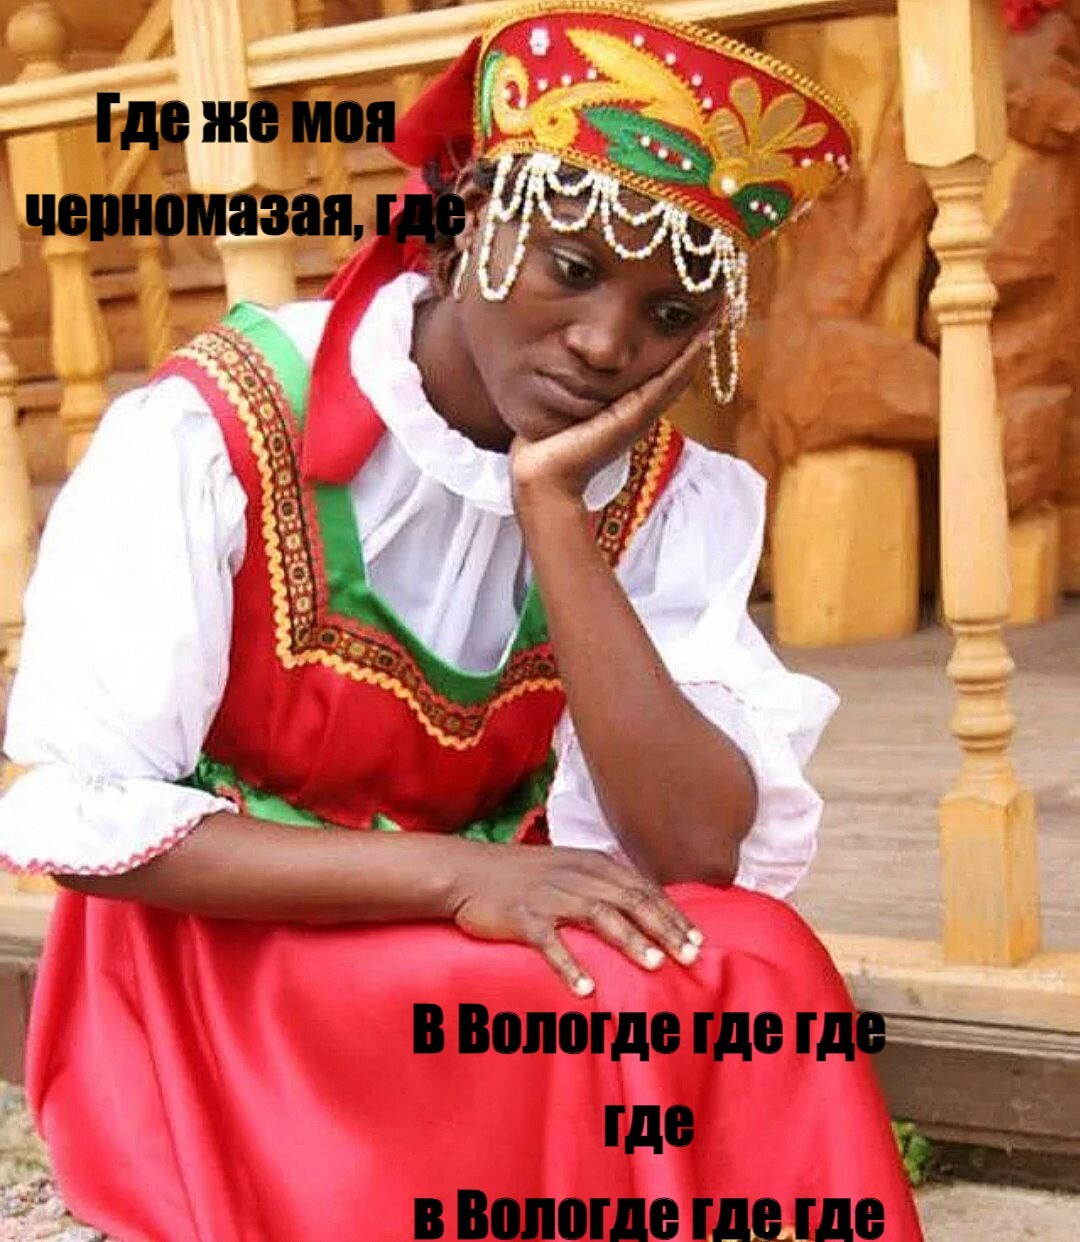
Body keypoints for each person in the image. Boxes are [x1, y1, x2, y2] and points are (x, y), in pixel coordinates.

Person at [0, 3, 924, 1239]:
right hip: (229, 948)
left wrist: (553, 512)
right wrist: (459, 875)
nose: (604, 343)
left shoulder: (661, 493)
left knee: (758, 960)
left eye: (668, 315)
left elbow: (693, 850)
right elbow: (85, 821)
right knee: (587, 997)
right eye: (574, 269)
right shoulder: (216, 425)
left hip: (487, 911)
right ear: (462, 229)